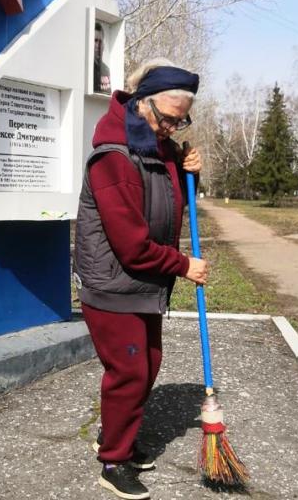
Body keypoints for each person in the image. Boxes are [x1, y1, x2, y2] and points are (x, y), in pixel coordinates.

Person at [73, 58, 206, 500]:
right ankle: (112, 461)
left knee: (148, 366)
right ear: (142, 105)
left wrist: (191, 174)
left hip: (144, 285)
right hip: (113, 284)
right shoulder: (114, 155)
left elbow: (170, 207)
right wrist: (184, 265)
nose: (174, 126)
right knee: (129, 371)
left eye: (181, 118)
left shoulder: (157, 150)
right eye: (168, 117)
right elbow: (131, 245)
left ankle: (120, 440)